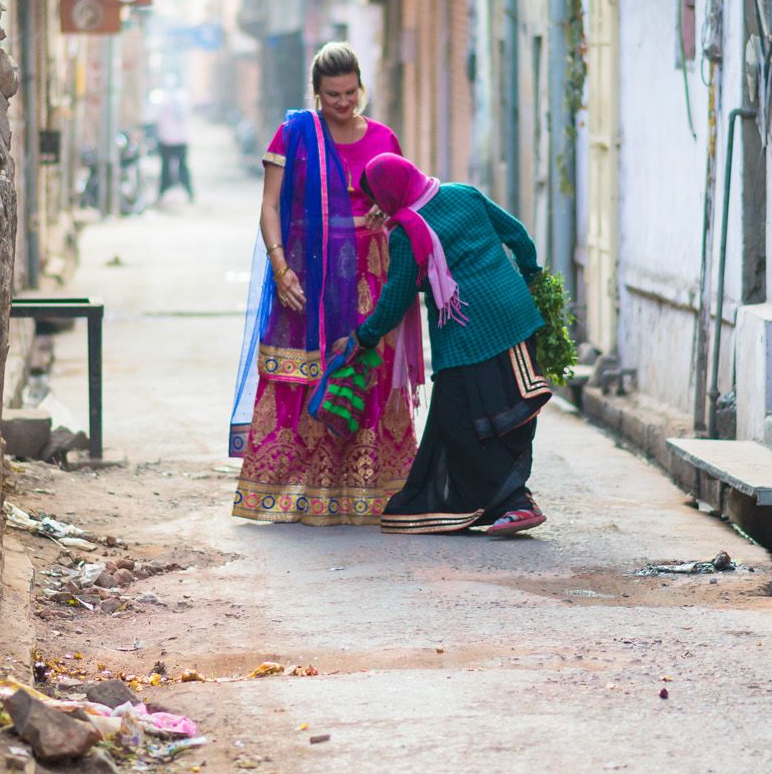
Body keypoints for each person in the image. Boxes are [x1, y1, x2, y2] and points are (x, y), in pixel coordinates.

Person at [229, 44, 420, 524]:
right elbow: (270, 206)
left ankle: (366, 493)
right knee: (303, 374)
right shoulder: (296, 135)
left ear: (361, 87)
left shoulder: (383, 138)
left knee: (367, 369)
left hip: (372, 271)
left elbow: (407, 201)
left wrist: (389, 211)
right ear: (316, 93)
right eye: (332, 94)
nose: (343, 102)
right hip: (307, 273)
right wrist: (279, 267)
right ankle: (298, 493)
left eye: (351, 92)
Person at [343, 153, 552, 537]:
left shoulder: (407, 234)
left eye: (377, 198)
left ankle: (516, 503)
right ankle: (514, 503)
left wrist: (363, 336)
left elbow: (394, 301)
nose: (376, 207)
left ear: (390, 195)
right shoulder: (464, 194)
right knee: (511, 410)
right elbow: (518, 235)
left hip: (466, 337)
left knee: (464, 423)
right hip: (516, 317)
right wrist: (532, 276)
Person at [155, 79, 193, 200]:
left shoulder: (164, 99)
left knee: (165, 167)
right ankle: (189, 192)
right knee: (182, 166)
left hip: (166, 139)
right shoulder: (184, 98)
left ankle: (163, 192)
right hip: (182, 139)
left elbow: (158, 119)